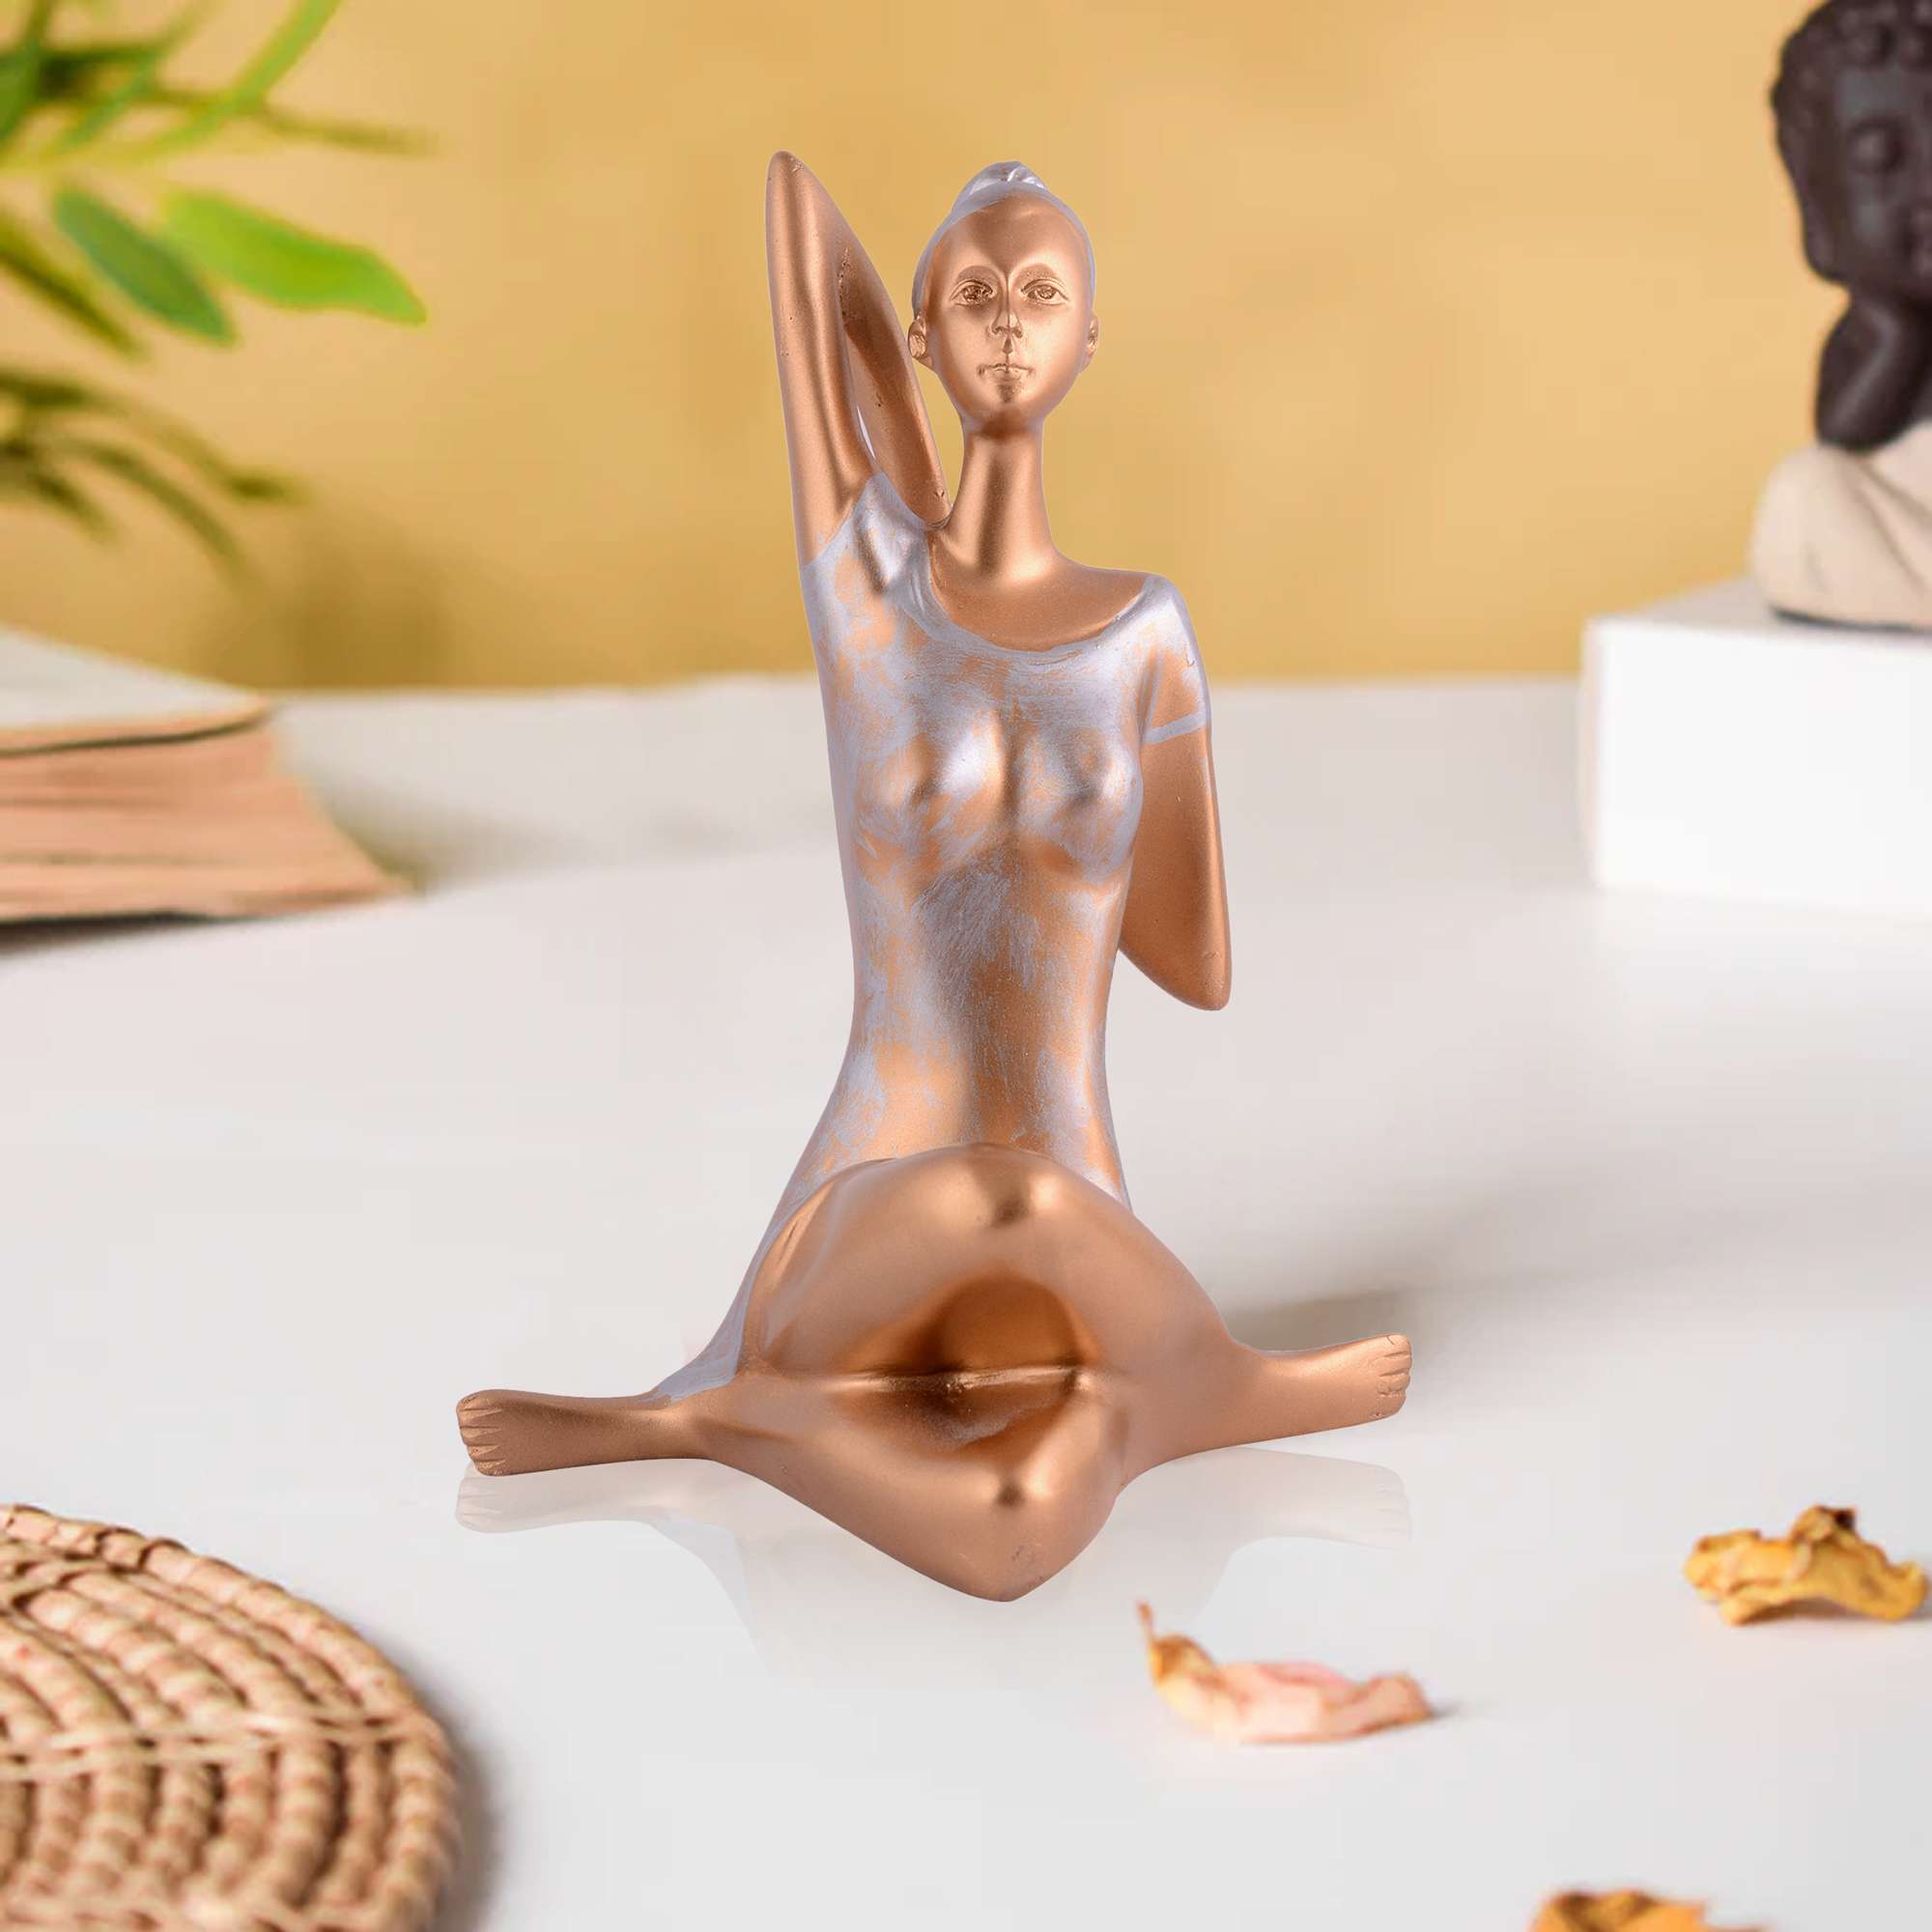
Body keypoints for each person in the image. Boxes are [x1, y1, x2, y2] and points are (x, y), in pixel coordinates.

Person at [459, 156, 1409, 1600]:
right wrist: (902, 459)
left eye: (1041, 294)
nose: (1008, 323)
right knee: (993, 1199)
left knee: (1015, 1523)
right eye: (971, 296)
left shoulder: (1146, 633)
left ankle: (725, 1423)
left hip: (1079, 1233)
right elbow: (795, 214)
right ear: (919, 334)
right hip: (869, 1213)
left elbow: (1194, 962)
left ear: (1091, 336)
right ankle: (1213, 1379)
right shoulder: (865, 589)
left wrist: (1135, 775)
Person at [1754, 0, 1932, 624]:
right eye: (1883, 159)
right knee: (1808, 491)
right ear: (1818, 199)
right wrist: (1895, 342)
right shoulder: (1875, 333)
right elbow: (1846, 433)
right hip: (1902, 510)